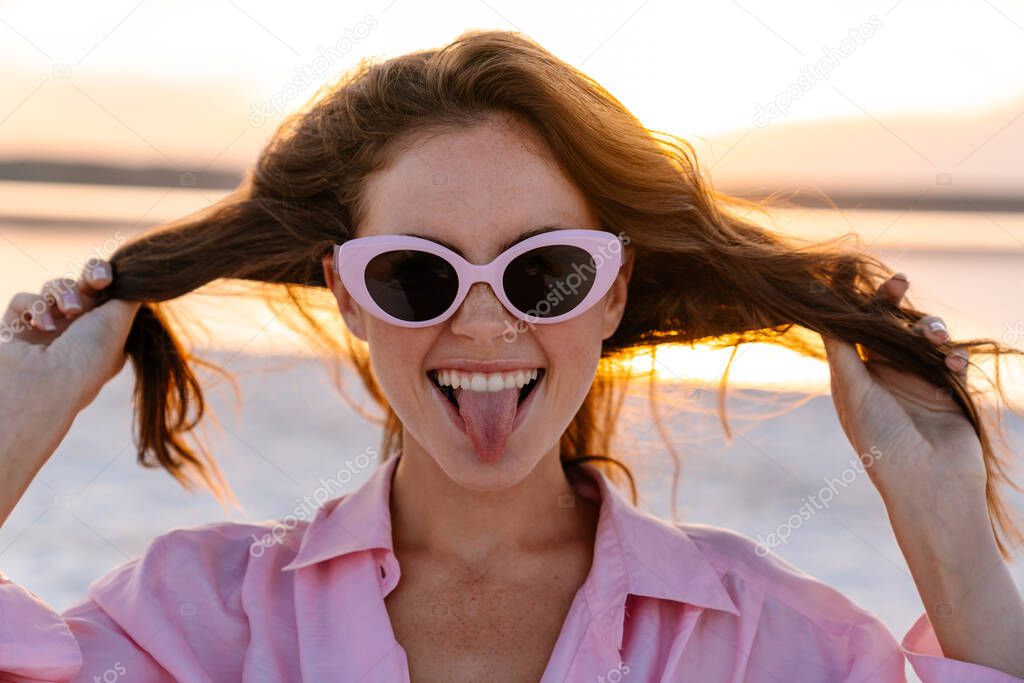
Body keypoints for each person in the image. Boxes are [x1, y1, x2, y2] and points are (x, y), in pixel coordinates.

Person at [2, 29, 1023, 682]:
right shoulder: (196, 618)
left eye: (544, 274)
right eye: (417, 274)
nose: (485, 324)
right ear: (350, 292)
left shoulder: (770, 637)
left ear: (613, 287)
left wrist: (943, 519)